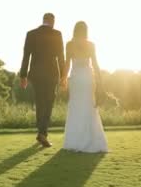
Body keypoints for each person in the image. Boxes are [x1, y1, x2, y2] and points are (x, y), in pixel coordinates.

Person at [20, 13, 66, 148]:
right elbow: (61, 57)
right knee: (48, 104)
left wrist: (23, 76)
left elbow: (26, 56)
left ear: (43, 20)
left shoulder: (31, 34)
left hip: (36, 74)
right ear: (53, 22)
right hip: (51, 74)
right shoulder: (57, 34)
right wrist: (64, 76)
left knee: (40, 103)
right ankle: (42, 133)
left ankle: (42, 133)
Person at [62, 21, 108, 153]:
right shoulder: (91, 45)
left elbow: (67, 63)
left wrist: (63, 79)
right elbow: (95, 64)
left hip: (76, 79)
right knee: (88, 107)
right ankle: (90, 140)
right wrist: (100, 81)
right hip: (87, 78)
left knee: (76, 107)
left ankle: (74, 141)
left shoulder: (70, 44)